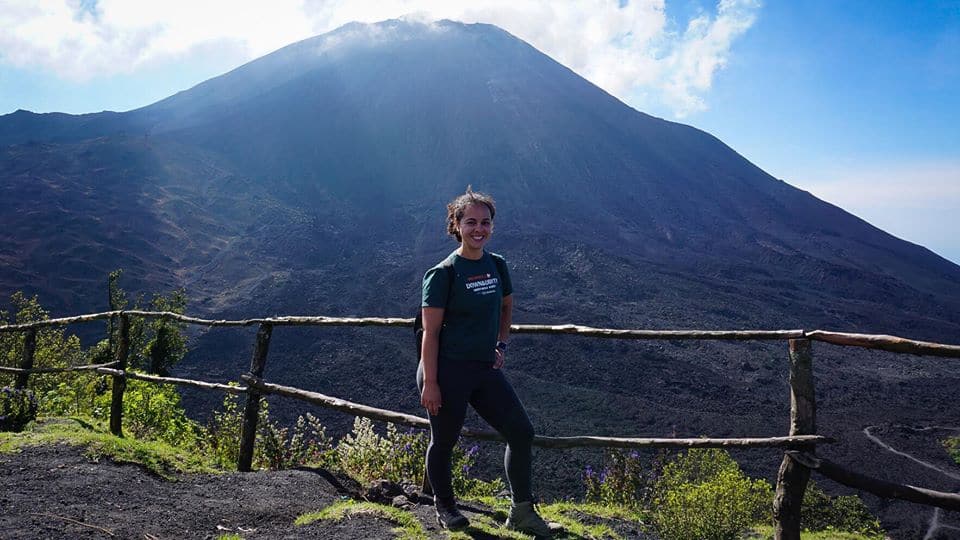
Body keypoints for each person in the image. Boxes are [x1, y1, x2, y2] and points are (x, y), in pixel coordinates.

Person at [418, 187, 559, 536]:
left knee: (521, 432)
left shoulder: (497, 265)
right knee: (445, 440)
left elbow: (507, 306)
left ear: (492, 226)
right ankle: (445, 508)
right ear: (456, 225)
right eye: (470, 222)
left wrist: (501, 344)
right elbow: (430, 333)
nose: (478, 229)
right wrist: (431, 382)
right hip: (446, 370)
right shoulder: (442, 274)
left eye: (485, 222)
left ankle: (522, 512)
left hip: (483, 367)